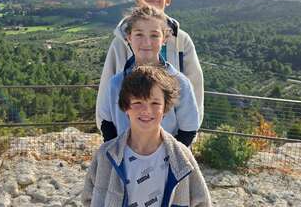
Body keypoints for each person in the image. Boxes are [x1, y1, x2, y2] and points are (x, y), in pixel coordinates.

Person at [82, 65, 211, 207]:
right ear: (125, 107)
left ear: (165, 108)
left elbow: (202, 202)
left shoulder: (182, 157)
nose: (146, 110)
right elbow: (88, 199)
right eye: (138, 102)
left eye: (155, 103)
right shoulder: (105, 156)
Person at [96, 0, 204, 129]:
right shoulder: (120, 42)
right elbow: (108, 86)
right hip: (126, 137)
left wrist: (188, 133)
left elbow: (194, 87)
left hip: (172, 139)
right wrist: (110, 138)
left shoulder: (182, 40)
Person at [97, 5, 200, 147]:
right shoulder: (116, 84)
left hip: (166, 164)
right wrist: (116, 156)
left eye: (154, 35)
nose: (146, 42)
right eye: (139, 34)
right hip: (124, 163)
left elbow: (188, 129)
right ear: (129, 37)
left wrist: (170, 160)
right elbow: (107, 123)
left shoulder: (180, 83)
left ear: (164, 39)